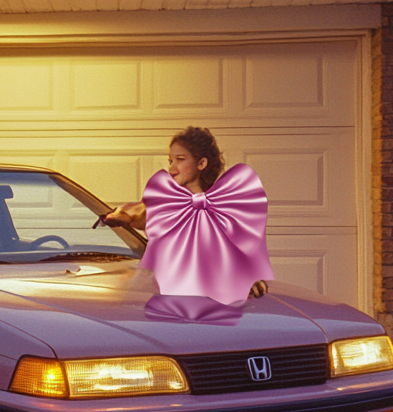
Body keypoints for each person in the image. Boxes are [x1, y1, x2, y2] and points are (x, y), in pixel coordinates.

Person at [103, 126, 269, 300]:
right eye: (170, 161)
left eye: (180, 160)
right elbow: (137, 212)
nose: (172, 168)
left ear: (202, 163)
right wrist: (121, 215)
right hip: (163, 295)